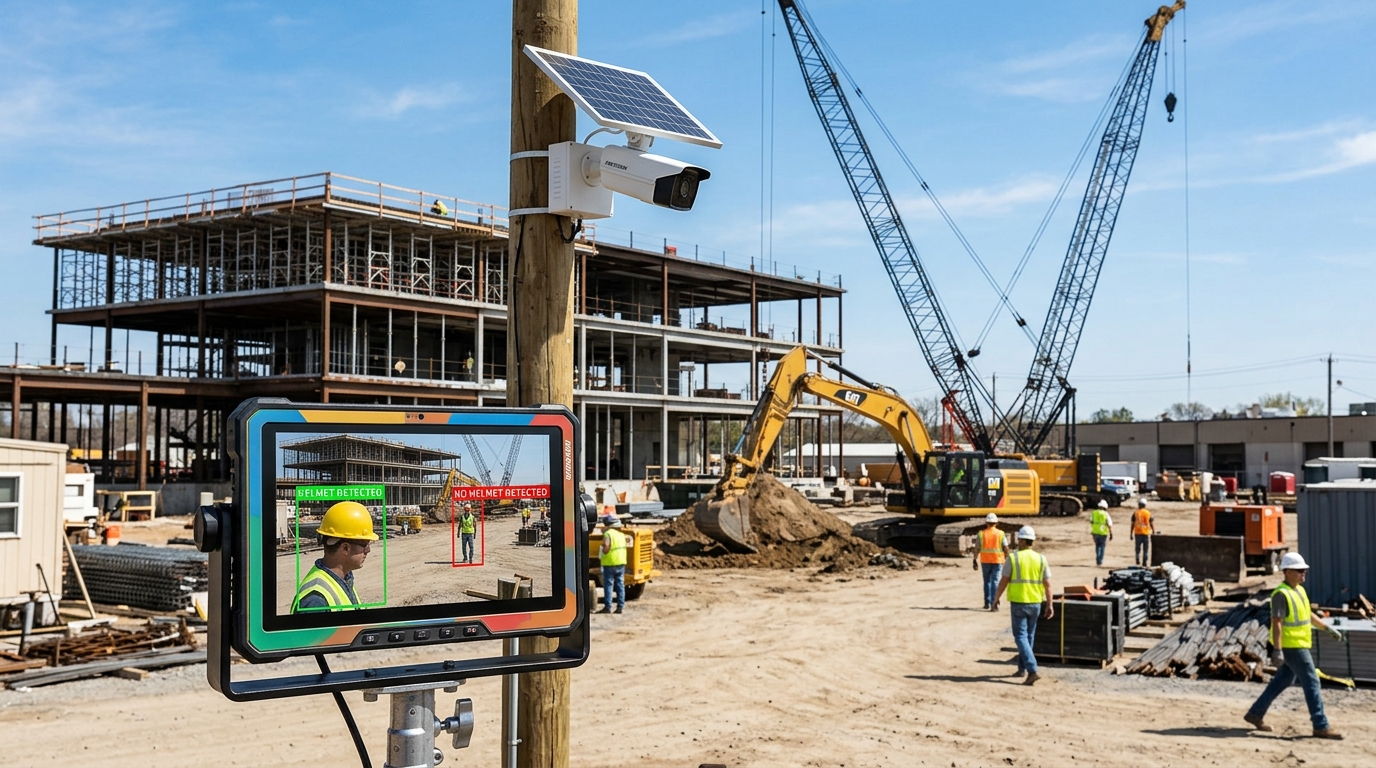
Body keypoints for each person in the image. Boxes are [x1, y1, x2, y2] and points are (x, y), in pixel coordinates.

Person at [1245, 553, 1345, 739]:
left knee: (1283, 680)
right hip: (1291, 646)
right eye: (1299, 570)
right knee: (1312, 681)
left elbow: (1308, 614)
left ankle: (1255, 713)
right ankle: (1320, 725)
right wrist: (1277, 650)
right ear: (1287, 572)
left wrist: (1326, 628)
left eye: (1304, 570)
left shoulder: (1299, 591)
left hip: (1299, 644)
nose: (1303, 573)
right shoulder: (1281, 594)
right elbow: (1277, 623)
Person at [292, 501, 378, 612]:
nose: (368, 550)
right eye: (365, 544)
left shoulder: (343, 579)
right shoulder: (316, 601)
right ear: (345, 548)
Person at [993, 526, 1053, 685]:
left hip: (1019, 603)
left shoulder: (1013, 558)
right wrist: (1050, 604)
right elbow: (1048, 584)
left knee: (1020, 637)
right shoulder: (1041, 559)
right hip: (1035, 603)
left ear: (1021, 540)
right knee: (1029, 637)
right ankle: (1022, 669)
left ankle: (1032, 670)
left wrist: (996, 598)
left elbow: (1004, 580)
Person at [972, 513, 1009, 610]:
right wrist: (1008, 559)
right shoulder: (1001, 534)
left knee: (987, 582)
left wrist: (974, 559)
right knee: (995, 582)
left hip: (985, 561)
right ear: (996, 523)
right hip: (997, 561)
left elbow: (977, 548)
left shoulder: (981, 534)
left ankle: (986, 603)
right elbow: (1005, 548)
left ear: (986, 523)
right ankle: (994, 603)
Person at [597, 517, 628, 615]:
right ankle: (620, 607)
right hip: (621, 562)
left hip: (610, 563)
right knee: (620, 585)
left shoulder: (608, 534)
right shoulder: (621, 535)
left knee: (609, 585)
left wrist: (603, 551)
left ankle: (608, 607)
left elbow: (606, 546)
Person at [1090, 499, 1114, 566]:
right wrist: (1111, 533)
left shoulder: (1094, 512)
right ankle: (1100, 560)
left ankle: (1098, 558)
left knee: (1097, 546)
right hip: (1103, 533)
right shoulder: (1106, 514)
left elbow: (1091, 521)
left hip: (1095, 532)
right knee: (1102, 546)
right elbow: (1109, 524)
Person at [1131, 498, 1155, 566]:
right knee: (1145, 549)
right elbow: (1151, 523)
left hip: (1137, 533)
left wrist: (1131, 533)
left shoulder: (1136, 513)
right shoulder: (1148, 513)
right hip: (1146, 533)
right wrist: (1153, 531)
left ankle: (1137, 560)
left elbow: (1132, 524)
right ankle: (1145, 562)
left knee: (1137, 549)